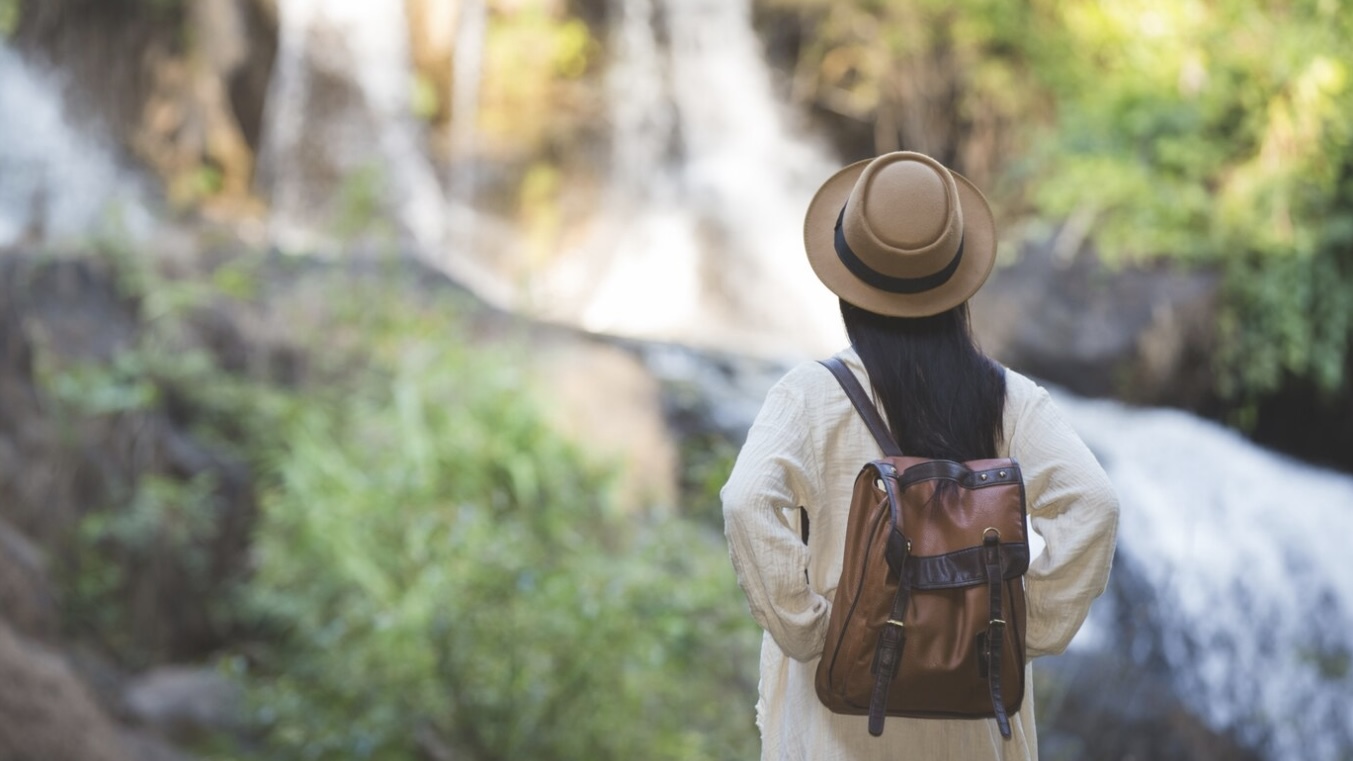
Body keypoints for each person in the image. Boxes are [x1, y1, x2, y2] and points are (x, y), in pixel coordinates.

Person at [721, 151, 1120, 760]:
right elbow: (1094, 503)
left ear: (848, 287)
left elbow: (747, 500)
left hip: (842, 722)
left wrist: (814, 631)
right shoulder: (1010, 399)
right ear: (957, 283)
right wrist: (1021, 629)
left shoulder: (807, 397)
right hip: (973, 714)